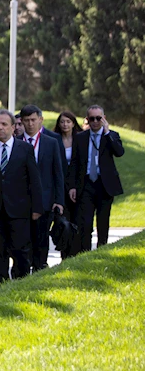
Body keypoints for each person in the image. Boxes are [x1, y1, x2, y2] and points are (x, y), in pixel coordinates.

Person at [0, 109, 43, 284]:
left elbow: (34, 180)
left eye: (4, 124)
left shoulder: (25, 149)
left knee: (20, 251)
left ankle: (22, 283)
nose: (0, 128)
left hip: (19, 211)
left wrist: (37, 208)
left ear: (13, 127)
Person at [68, 105, 125, 253]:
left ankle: (102, 250)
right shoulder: (80, 138)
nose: (95, 121)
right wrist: (72, 186)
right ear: (87, 119)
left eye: (98, 118)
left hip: (104, 184)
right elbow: (74, 163)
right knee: (85, 223)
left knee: (103, 221)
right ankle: (85, 252)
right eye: (91, 118)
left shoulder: (111, 135)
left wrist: (107, 132)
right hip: (86, 183)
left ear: (104, 119)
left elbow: (119, 152)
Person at [19, 105, 65, 273]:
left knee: (41, 239)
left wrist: (59, 201)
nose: (30, 124)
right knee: (23, 240)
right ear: (21, 122)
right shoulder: (16, 142)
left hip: (45, 200)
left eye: (33, 120)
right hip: (21, 201)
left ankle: (40, 269)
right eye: (27, 121)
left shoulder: (51, 142)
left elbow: (58, 173)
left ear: (40, 120)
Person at [54, 111, 81, 257]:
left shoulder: (79, 139)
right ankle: (64, 253)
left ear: (73, 123)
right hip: (60, 186)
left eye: (68, 121)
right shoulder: (54, 139)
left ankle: (76, 252)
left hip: (76, 186)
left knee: (76, 221)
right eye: (62, 121)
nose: (65, 124)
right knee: (63, 222)